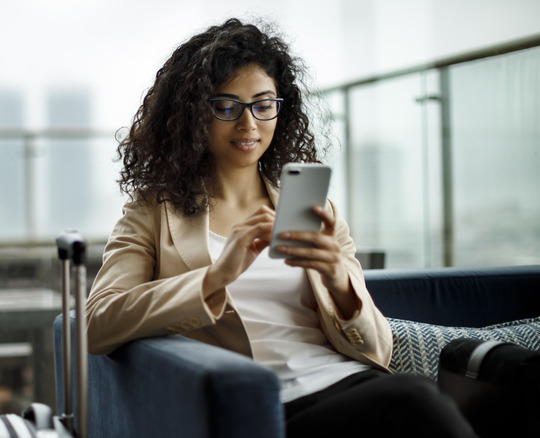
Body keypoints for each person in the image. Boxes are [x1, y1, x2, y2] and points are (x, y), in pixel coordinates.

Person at [85, 18, 476, 437]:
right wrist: (216, 277)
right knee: (413, 400)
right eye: (226, 106)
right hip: (268, 406)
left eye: (263, 104)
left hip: (350, 384)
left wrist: (340, 282)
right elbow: (97, 324)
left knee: (428, 397)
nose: (248, 124)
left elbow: (378, 348)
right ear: (193, 114)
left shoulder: (313, 206)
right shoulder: (152, 211)